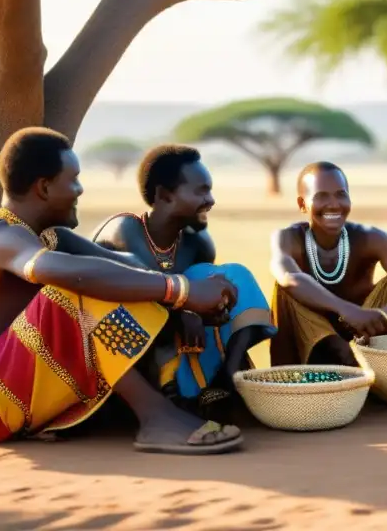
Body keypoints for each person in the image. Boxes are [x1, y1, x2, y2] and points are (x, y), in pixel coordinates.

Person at [0, 127, 244, 454]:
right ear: (45, 187)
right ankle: (156, 416)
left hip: (13, 390)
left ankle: (161, 402)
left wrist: (184, 303)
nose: (80, 190)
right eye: (74, 179)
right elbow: (67, 273)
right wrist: (179, 289)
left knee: (114, 280)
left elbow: (127, 265)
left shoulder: (42, 235)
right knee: (74, 289)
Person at [90, 145, 275, 421]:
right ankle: (169, 398)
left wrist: (207, 310)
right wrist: (182, 312)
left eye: (210, 190)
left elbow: (198, 298)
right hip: (120, 351)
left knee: (234, 275)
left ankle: (224, 383)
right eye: (201, 191)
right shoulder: (124, 232)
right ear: (164, 195)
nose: (210, 200)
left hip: (178, 343)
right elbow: (141, 293)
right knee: (158, 308)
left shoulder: (197, 243)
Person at [269, 161, 387, 367]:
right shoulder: (288, 238)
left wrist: (384, 315)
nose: (333, 204)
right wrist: (344, 309)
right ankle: (335, 355)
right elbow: (287, 275)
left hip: (369, 331)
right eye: (321, 196)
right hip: (316, 343)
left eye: (341, 194)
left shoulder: (371, 238)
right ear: (302, 204)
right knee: (286, 288)